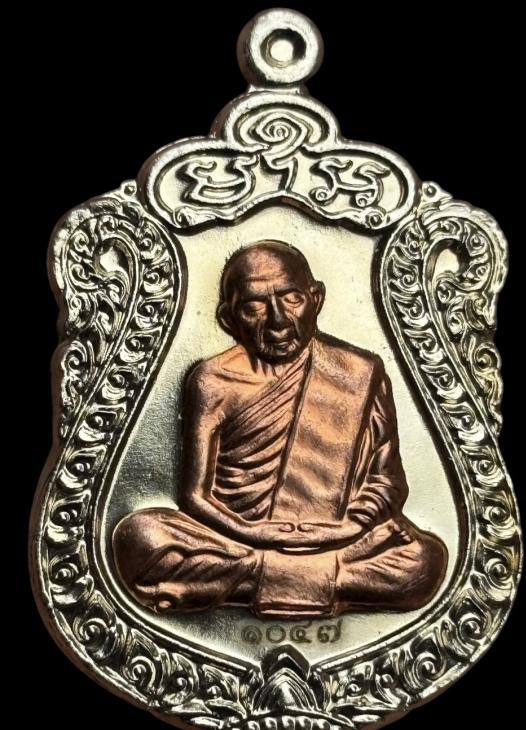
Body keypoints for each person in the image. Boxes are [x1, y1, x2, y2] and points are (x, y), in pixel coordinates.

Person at [113, 240, 447, 617]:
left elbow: (387, 481)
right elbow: (195, 496)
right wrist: (254, 532)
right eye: (254, 306)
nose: (277, 321)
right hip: (235, 538)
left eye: (291, 299)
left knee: (425, 560)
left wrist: (348, 528)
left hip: (337, 540)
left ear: (315, 299)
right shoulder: (213, 381)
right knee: (141, 537)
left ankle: (239, 580)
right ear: (228, 319)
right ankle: (321, 580)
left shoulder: (359, 372)